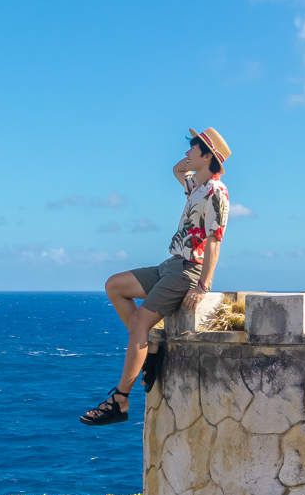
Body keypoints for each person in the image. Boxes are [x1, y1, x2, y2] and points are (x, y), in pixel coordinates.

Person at [79, 126, 231, 426]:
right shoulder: (196, 187)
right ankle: (151, 349)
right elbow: (177, 169)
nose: (187, 152)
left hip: (188, 270)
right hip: (170, 264)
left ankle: (120, 399)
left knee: (139, 322)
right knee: (115, 285)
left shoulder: (216, 191)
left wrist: (203, 285)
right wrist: (193, 161)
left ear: (206, 155)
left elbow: (215, 239)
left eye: (192, 147)